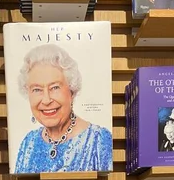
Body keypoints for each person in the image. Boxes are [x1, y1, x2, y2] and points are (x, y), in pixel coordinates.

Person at [15, 44, 112, 173]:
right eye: (37, 89)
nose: (46, 100)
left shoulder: (98, 140)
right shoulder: (28, 143)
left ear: (71, 91)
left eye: (54, 87)